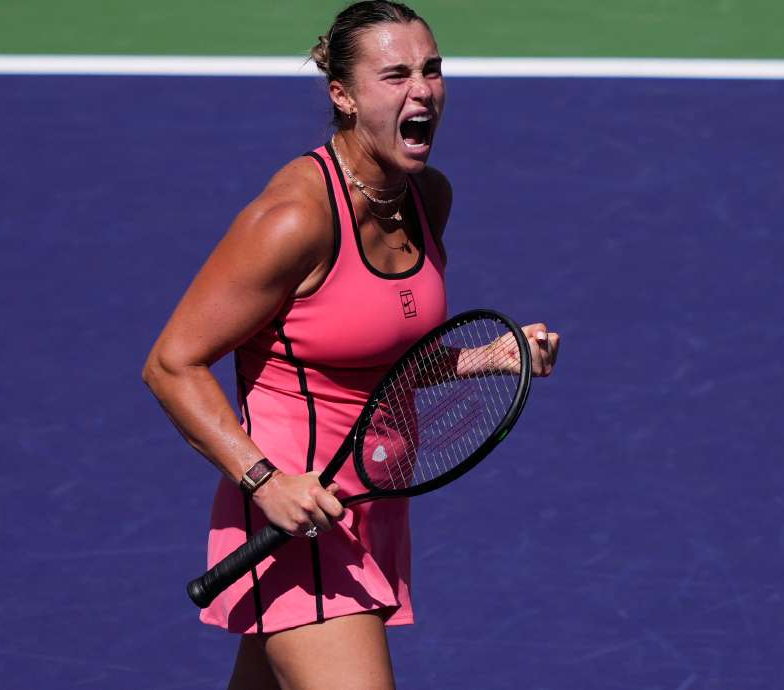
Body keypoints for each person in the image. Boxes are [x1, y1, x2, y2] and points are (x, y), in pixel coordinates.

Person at [142, 2, 560, 688]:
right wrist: (265, 482)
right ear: (343, 95)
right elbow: (170, 364)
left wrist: (486, 358)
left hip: (371, 504)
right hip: (299, 516)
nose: (423, 91)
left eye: (432, 70)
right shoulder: (293, 220)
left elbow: (374, 355)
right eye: (395, 75)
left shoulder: (425, 198)